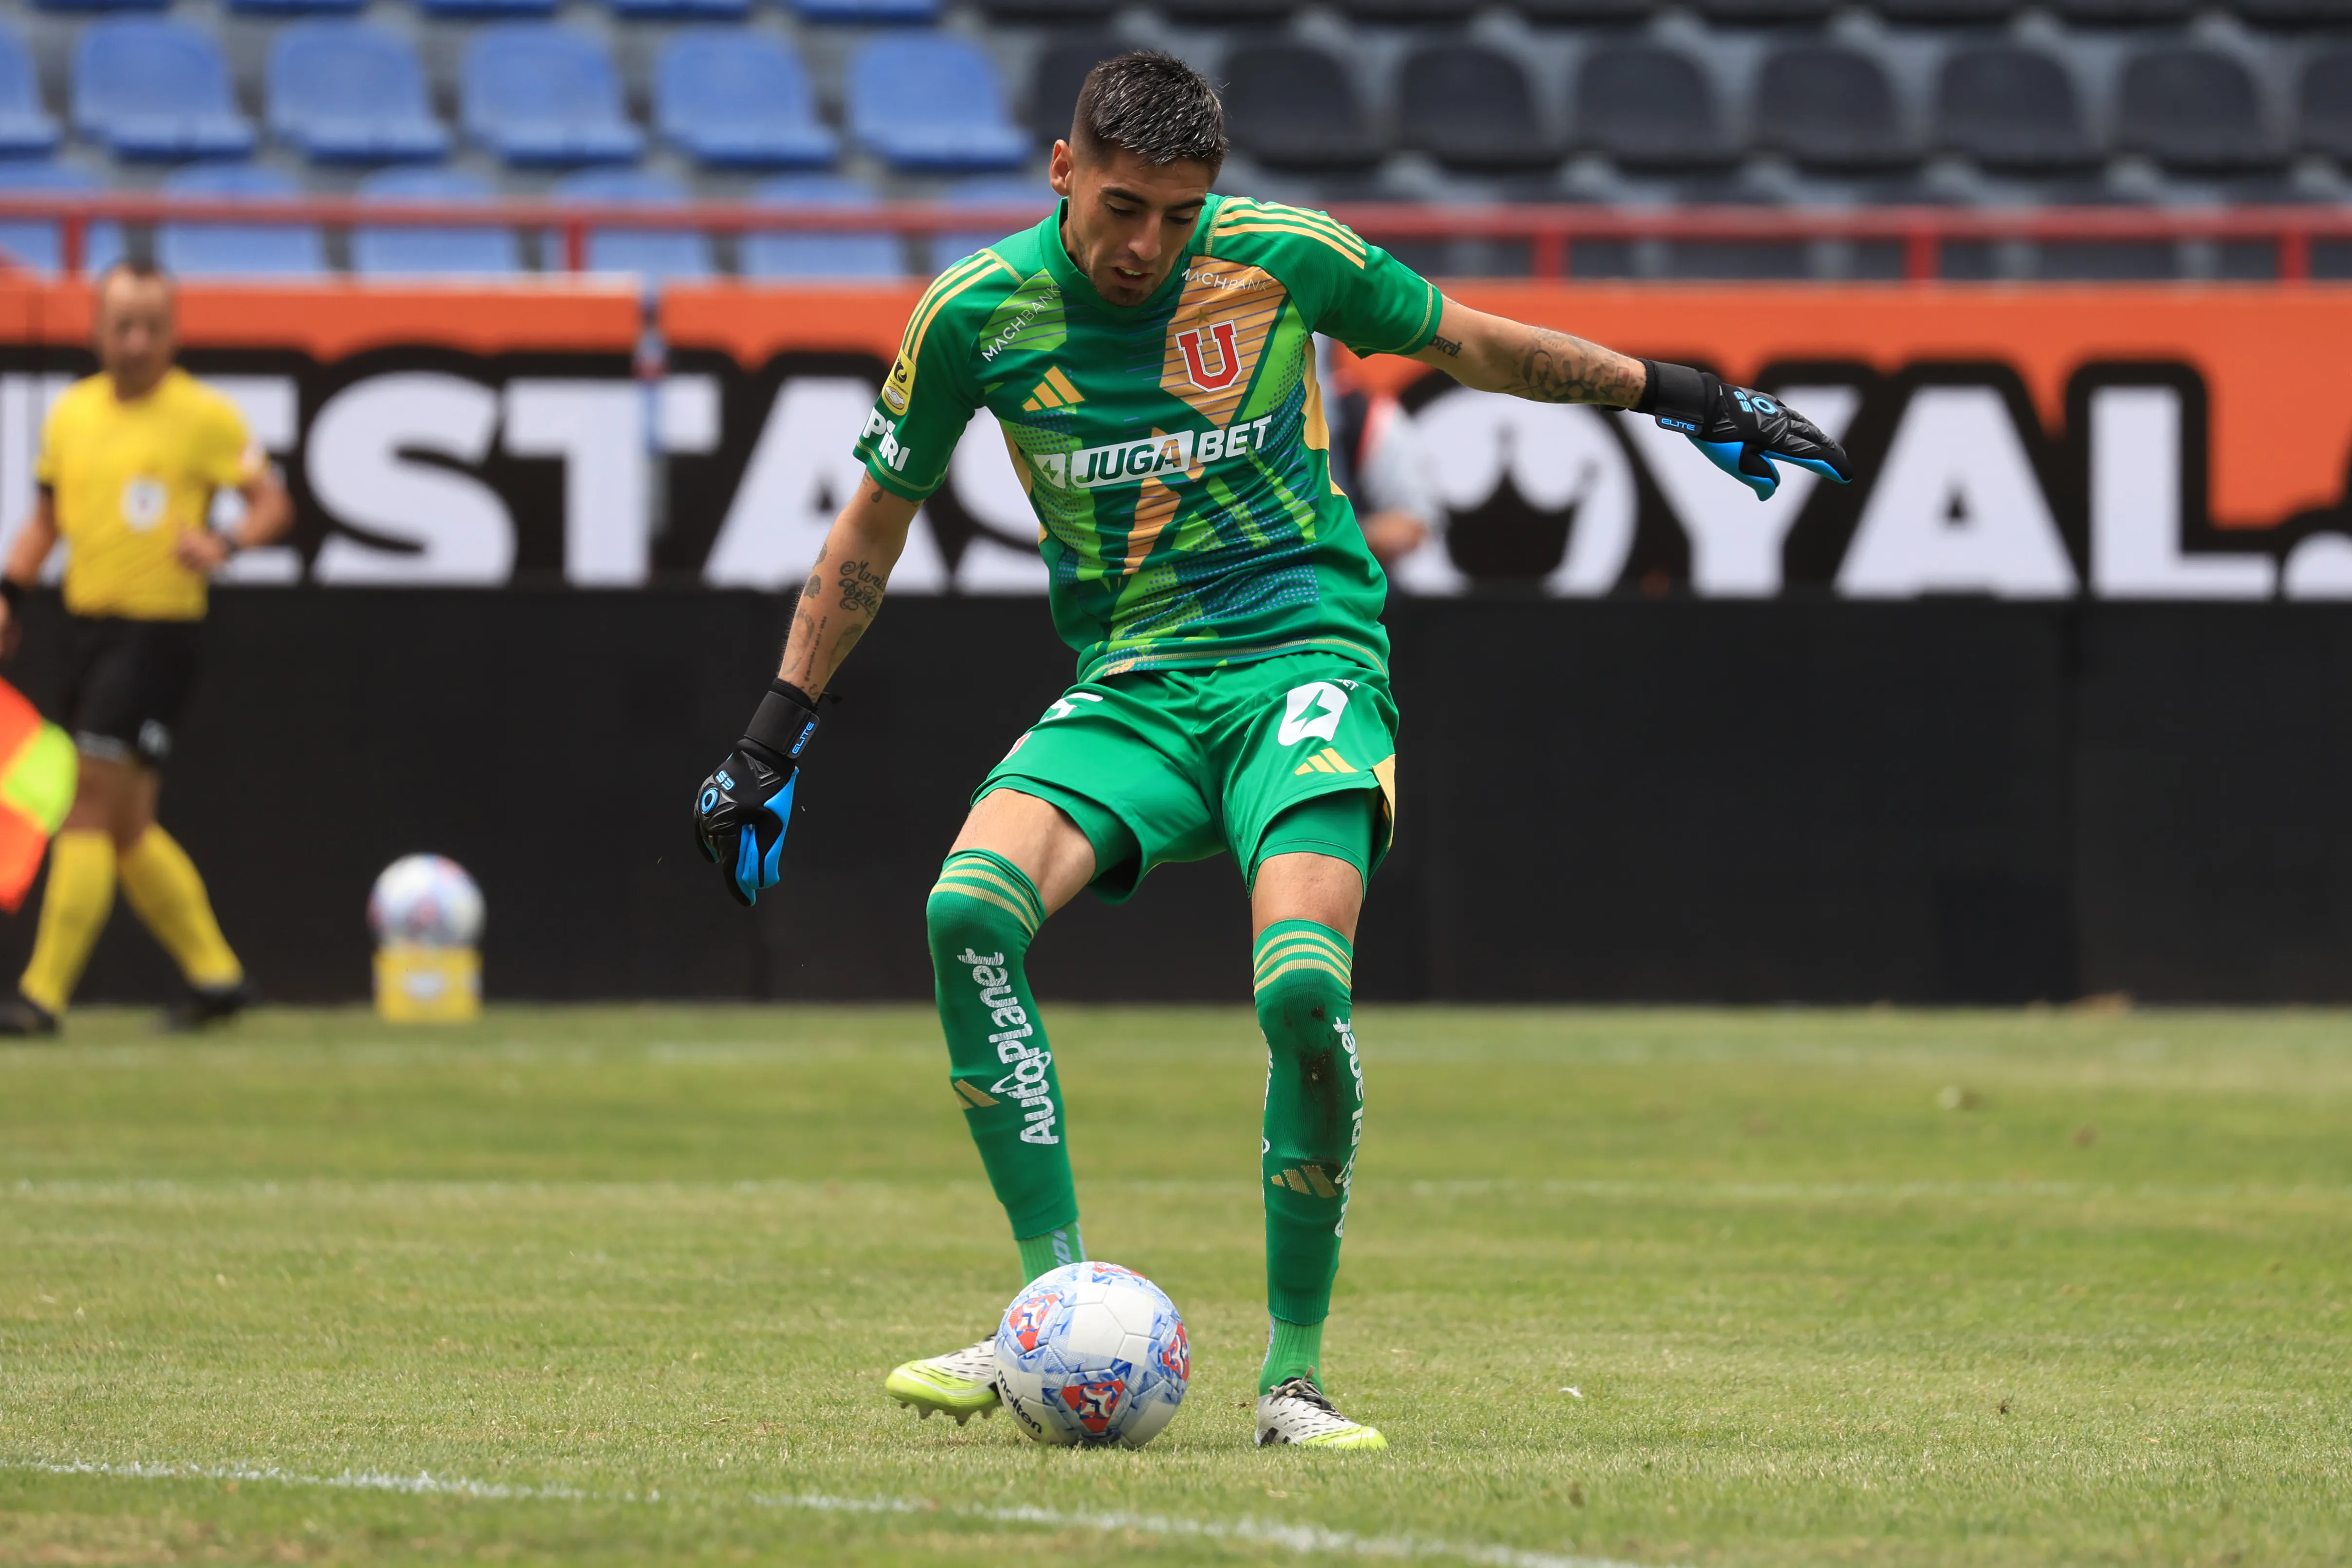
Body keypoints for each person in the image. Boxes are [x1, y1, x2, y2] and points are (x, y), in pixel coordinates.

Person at [691, 53, 1850, 1448]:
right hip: (1133, 686)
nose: (1147, 246)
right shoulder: (972, 318)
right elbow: (871, 528)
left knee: (1302, 990)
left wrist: (1681, 393)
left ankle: (1293, 1379)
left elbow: (1470, 343)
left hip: (1305, 663)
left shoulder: (1283, 262)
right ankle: (1055, 1310)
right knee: (964, 916)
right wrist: (774, 733)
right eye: (1123, 208)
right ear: (1062, 173)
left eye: (1179, 216)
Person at [0, 259, 292, 1036]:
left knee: (85, 806)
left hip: (157, 634)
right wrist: (10, 594)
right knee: (129, 826)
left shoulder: (203, 417)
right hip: (86, 630)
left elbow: (272, 503)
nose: (136, 342)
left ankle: (42, 997)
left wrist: (226, 541)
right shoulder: (71, 414)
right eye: (121, 325)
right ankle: (217, 976)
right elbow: (47, 518)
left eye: (152, 327)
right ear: (94, 329)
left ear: (175, 334)